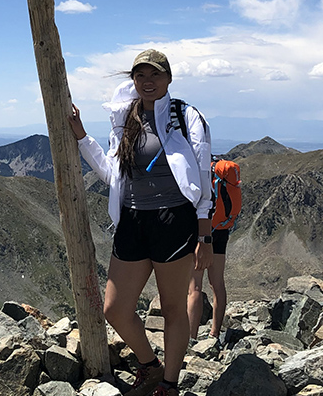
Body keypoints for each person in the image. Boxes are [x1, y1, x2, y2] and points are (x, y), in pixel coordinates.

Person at [68, 49, 213, 396]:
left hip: (174, 220)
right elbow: (110, 173)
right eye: (141, 75)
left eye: (155, 75)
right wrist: (81, 136)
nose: (148, 82)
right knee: (115, 309)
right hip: (132, 220)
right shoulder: (126, 117)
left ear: (168, 79)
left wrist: (204, 233)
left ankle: (169, 383)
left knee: (173, 309)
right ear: (133, 79)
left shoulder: (186, 116)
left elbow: (204, 172)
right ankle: (150, 366)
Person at [187, 225, 230, 345]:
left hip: (200, 232)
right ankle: (214, 333)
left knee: (194, 288)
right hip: (221, 229)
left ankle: (191, 339)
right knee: (218, 284)